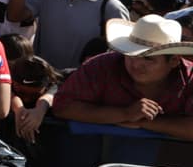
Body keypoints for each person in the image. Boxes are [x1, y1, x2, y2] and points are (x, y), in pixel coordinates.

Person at [53, 14, 193, 140]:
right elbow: (62, 106)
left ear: (174, 60)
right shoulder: (101, 66)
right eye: (131, 54)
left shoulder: (190, 77)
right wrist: (125, 113)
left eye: (148, 59)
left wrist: (140, 121)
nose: (136, 64)